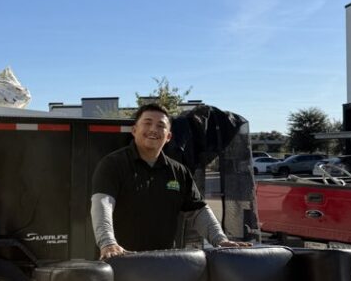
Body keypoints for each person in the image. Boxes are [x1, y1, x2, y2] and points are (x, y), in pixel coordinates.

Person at [90, 103, 250, 258]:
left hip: (164, 263)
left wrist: (220, 240)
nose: (153, 129)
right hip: (122, 260)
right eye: (147, 123)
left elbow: (198, 211)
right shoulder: (113, 164)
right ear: (134, 130)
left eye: (161, 125)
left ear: (168, 137)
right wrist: (108, 243)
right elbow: (103, 204)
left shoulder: (178, 171)